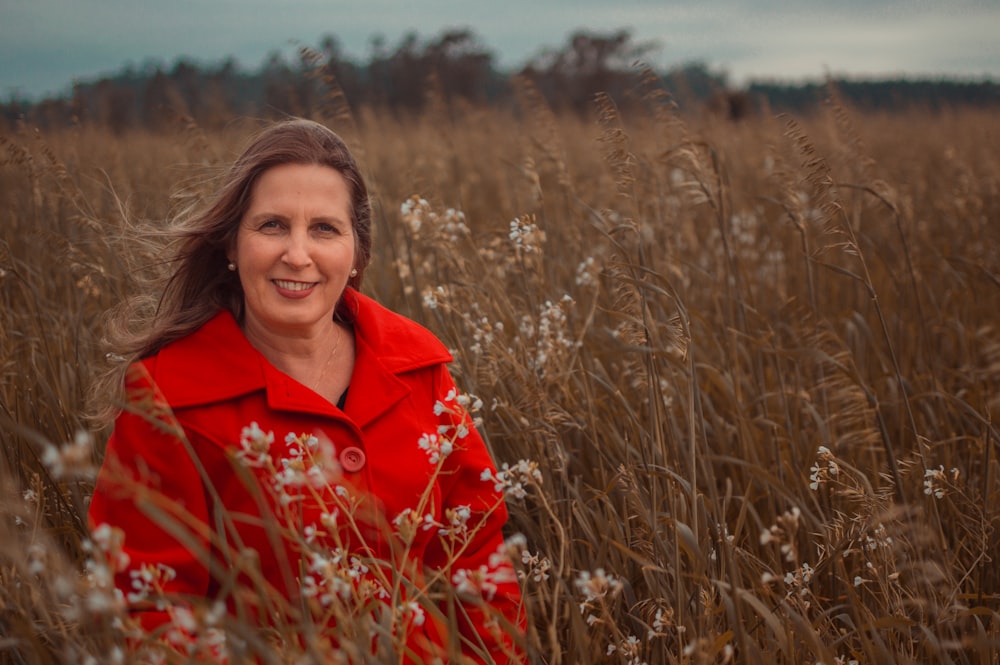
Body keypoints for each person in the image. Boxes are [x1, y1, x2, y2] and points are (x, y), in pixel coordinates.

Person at [88, 118, 525, 664]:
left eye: (324, 229)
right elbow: (150, 610)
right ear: (231, 243)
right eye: (272, 225)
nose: (298, 255)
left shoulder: (419, 368)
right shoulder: (167, 399)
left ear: (357, 252)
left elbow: (478, 556)